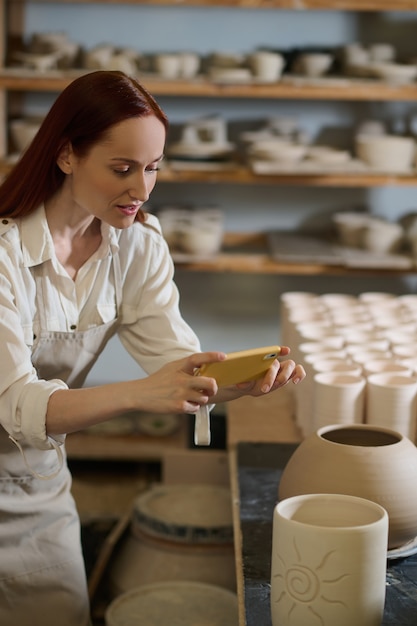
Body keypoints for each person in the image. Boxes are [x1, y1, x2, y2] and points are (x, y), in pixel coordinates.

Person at [0, 70, 306, 625]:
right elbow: (16, 405)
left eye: (153, 168)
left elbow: (176, 367)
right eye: (122, 169)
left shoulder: (135, 248)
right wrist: (142, 394)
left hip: (37, 482)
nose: (141, 189)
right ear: (67, 155)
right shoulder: (5, 254)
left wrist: (244, 379)